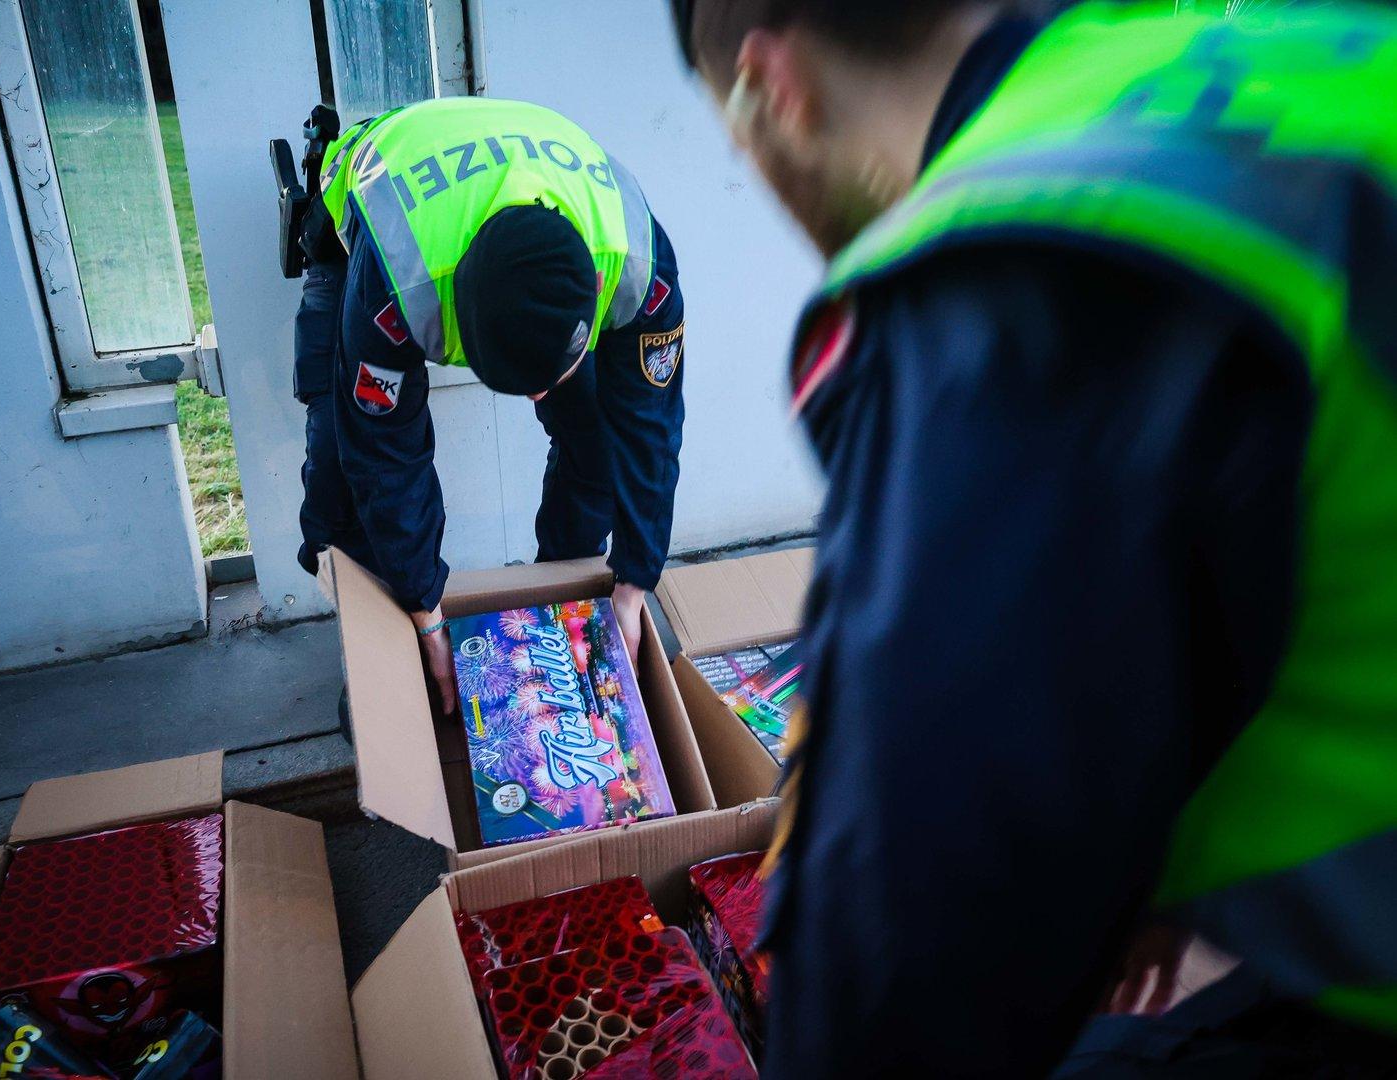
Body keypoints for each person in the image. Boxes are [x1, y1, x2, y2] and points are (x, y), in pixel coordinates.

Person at [669, 0, 1397, 1074]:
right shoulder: (1269, 53)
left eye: (744, 152)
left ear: (776, 90)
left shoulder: (1024, 265)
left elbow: (898, 970)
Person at [293, 98, 686, 711]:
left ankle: (562, 603)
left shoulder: (639, 264)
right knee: (341, 473)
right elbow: (384, 457)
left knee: (602, 440)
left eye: (545, 379)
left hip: (515, 177)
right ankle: (387, 652)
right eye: (510, 380)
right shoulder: (399, 280)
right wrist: (425, 613)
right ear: (456, 318)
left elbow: (651, 430)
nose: (535, 398)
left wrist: (635, 581)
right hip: (371, 208)